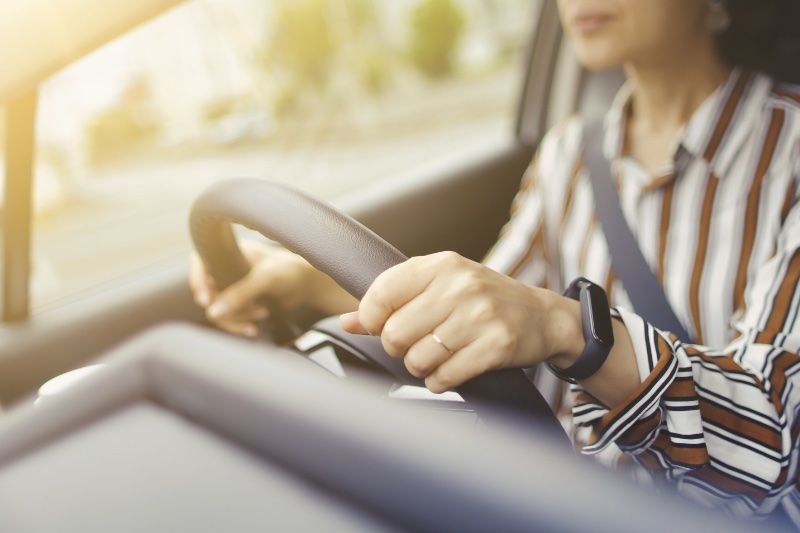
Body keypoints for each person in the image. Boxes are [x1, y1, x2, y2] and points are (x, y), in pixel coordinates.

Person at [190, 0, 800, 525]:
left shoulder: (790, 153)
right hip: (553, 495)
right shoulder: (570, 152)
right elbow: (484, 313)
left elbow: (770, 439)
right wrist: (300, 279)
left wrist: (572, 330)